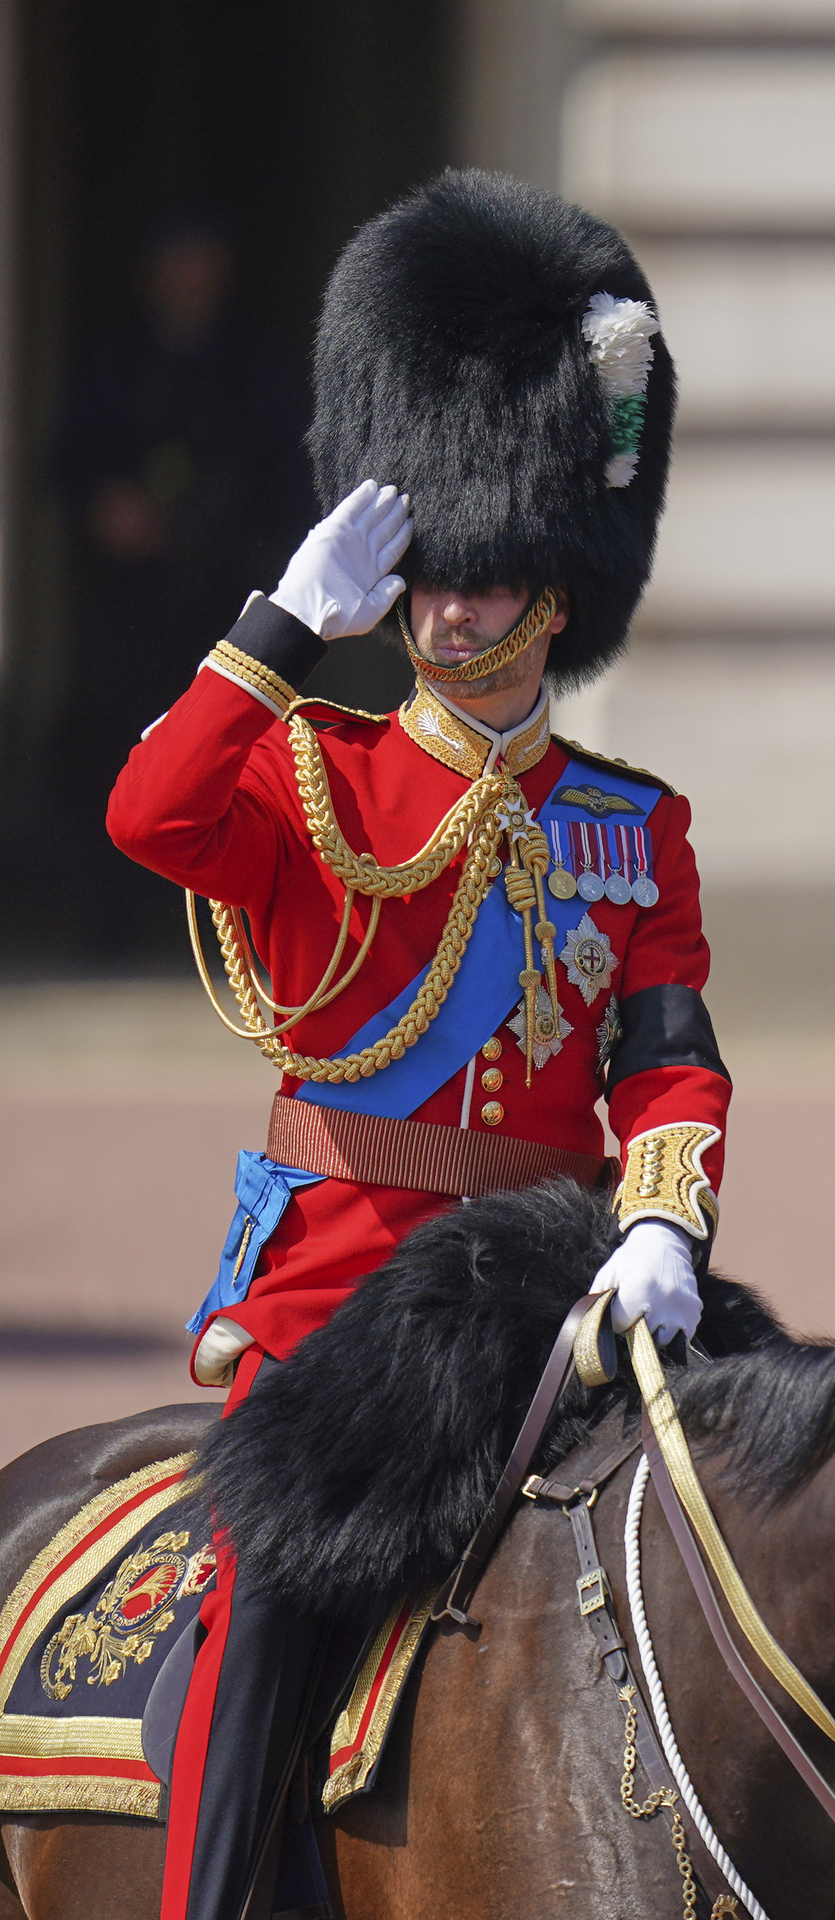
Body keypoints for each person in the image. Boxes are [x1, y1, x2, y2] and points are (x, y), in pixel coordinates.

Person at [107, 170, 731, 1920]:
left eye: (492, 583)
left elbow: (666, 1059)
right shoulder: (314, 775)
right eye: (432, 584)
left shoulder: (635, 824)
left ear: (559, 594)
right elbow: (149, 817)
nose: (453, 616)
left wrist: (669, 1216)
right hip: (348, 1288)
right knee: (274, 1591)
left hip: (558, 1268)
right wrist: (271, 629)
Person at [52, 209, 313, 960]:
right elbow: (67, 464)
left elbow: (291, 483)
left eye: (204, 264)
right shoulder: (114, 362)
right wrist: (108, 506)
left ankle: (225, 935)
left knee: (232, 758)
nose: (191, 281)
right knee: (118, 755)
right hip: (129, 602)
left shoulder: (256, 366)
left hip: (226, 601)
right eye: (178, 264)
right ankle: (113, 929)